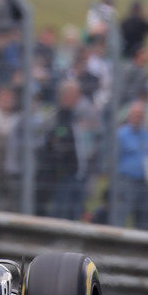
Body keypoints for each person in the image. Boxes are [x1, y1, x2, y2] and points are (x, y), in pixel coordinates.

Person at [39, 79, 84, 220]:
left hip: (76, 175)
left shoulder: (75, 117)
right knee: (61, 216)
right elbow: (55, 143)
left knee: (74, 215)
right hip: (60, 177)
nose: (77, 99)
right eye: (74, 95)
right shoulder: (57, 118)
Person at [115, 99, 148, 229]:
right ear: (129, 116)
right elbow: (114, 159)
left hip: (144, 183)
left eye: (141, 115)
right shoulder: (121, 134)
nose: (138, 118)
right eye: (135, 114)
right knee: (121, 217)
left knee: (142, 221)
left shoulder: (147, 135)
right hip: (126, 182)